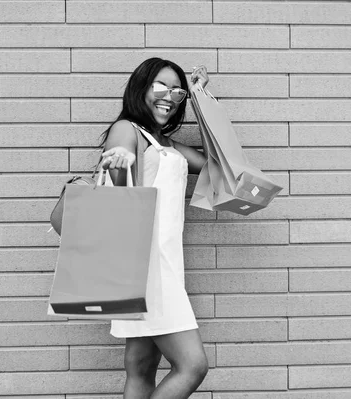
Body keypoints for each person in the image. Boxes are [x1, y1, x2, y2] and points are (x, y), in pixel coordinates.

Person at [99, 58, 210, 398]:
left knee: (142, 363)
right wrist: (120, 161)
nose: (171, 96)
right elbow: (115, 176)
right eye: (160, 86)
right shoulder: (127, 129)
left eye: (177, 91)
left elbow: (216, 166)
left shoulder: (165, 143)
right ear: (141, 88)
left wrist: (200, 98)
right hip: (148, 267)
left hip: (163, 265)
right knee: (193, 365)